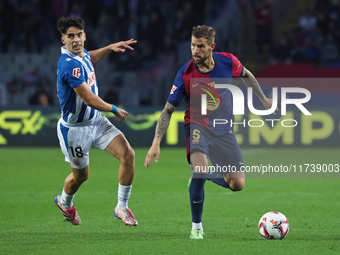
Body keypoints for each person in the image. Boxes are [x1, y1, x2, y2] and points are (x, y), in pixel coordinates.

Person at [144, 25, 276, 239]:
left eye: (201, 47)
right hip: (197, 126)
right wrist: (156, 141)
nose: (195, 51)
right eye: (193, 46)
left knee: (237, 184)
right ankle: (197, 227)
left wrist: (263, 99)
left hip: (224, 130)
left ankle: (202, 177)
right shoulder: (185, 73)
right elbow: (168, 110)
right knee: (200, 169)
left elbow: (247, 74)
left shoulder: (228, 62)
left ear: (212, 47)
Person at [54, 16, 138, 226]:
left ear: (84, 36)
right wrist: (115, 109)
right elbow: (89, 99)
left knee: (128, 154)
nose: (76, 39)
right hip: (75, 131)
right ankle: (65, 201)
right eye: (70, 36)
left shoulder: (81, 56)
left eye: (79, 35)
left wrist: (109, 47)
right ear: (62, 39)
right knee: (81, 177)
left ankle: (121, 207)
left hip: (96, 122)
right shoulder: (68, 65)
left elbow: (90, 57)